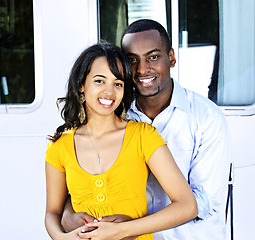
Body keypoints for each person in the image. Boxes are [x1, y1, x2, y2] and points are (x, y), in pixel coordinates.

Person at [62, 19, 230, 240]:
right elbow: (80, 179)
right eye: (132, 60)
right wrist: (68, 213)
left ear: (171, 57)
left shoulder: (207, 117)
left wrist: (130, 226)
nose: (142, 69)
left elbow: (202, 202)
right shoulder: (113, 114)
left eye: (153, 57)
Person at [45, 42, 198, 240]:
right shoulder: (59, 147)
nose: (109, 91)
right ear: (81, 85)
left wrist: (122, 230)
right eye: (99, 81)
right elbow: (52, 213)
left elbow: (188, 206)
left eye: (118, 83)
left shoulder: (143, 136)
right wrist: (61, 237)